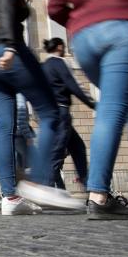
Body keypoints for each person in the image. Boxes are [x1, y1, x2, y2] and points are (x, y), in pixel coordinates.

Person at [0, 0, 81, 215]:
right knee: (50, 114)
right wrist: (10, 46)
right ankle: (40, 183)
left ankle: (10, 198)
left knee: (4, 127)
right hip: (9, 52)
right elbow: (9, 15)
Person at [48, 0, 128, 219]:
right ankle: (98, 195)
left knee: (126, 105)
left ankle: (98, 192)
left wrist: (77, 21)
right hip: (121, 28)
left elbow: (54, 5)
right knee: (113, 109)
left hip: (84, 40)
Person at [42, 37, 95, 189]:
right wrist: (93, 104)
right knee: (58, 151)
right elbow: (73, 85)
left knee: (78, 147)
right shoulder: (58, 63)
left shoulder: (44, 66)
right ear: (60, 47)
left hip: (51, 112)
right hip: (61, 111)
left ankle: (88, 184)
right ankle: (47, 187)